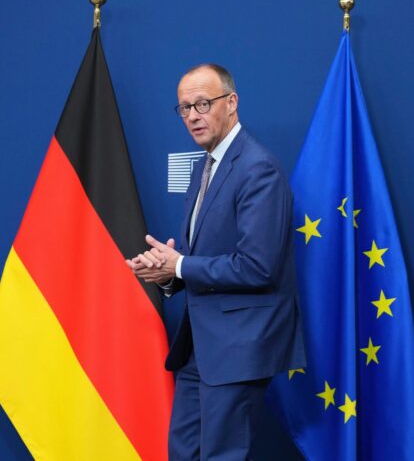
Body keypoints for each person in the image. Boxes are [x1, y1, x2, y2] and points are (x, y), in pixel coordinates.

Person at [127, 63, 305, 460]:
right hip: (199, 346)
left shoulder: (258, 168)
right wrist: (166, 274)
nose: (192, 116)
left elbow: (257, 267)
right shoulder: (204, 167)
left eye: (203, 104)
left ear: (232, 102)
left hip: (238, 347)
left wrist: (178, 265)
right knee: (183, 453)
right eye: (184, 108)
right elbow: (202, 257)